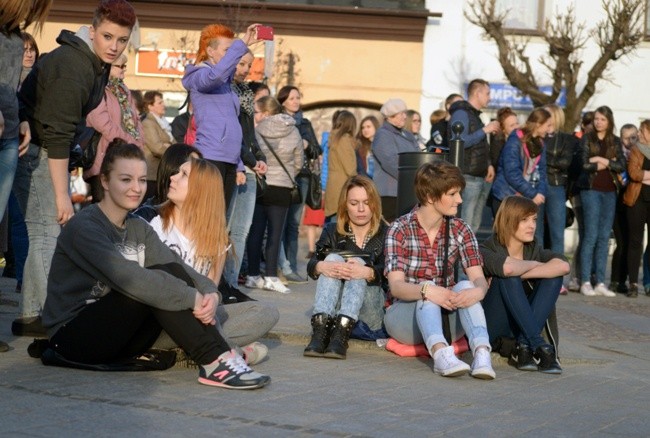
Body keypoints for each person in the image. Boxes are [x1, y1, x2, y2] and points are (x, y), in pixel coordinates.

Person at [41, 142, 270, 389]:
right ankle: (214, 360)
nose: (136, 188)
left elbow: (179, 267)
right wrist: (191, 297)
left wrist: (211, 294)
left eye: (141, 180)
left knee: (169, 273)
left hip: (124, 331)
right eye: (125, 179)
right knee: (154, 283)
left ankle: (220, 355)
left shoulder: (138, 228)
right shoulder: (86, 227)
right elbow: (131, 278)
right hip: (74, 335)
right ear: (105, 182)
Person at [13, 0, 135, 337]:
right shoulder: (74, 64)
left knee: (45, 232)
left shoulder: (93, 64)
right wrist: (62, 194)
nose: (114, 46)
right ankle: (42, 314)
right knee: (45, 232)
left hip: (43, 147)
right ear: (92, 31)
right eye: (108, 36)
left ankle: (34, 313)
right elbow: (57, 133)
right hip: (36, 150)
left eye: (122, 40)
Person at [383, 161, 495, 379]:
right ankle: (440, 354)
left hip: (445, 317)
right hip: (405, 318)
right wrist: (427, 290)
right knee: (429, 288)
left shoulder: (461, 229)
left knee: (464, 285)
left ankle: (482, 353)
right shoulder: (400, 229)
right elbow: (396, 287)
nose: (460, 200)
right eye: (452, 194)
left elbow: (478, 278)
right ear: (430, 196)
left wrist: (478, 291)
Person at [0, 0, 51, 352]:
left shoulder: (17, 41)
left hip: (7, 140)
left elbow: (9, 89)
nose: (29, 14)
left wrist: (21, 119)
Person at [480, 196, 568, 374]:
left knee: (554, 277)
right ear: (508, 220)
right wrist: (537, 267)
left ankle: (523, 345)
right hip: (493, 327)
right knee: (508, 277)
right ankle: (537, 344)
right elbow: (508, 268)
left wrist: (527, 269)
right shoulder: (486, 249)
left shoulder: (534, 250)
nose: (532, 226)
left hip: (522, 327)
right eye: (524, 220)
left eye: (534, 220)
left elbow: (564, 266)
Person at [305, 176, 388, 359]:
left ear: (374, 204)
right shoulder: (331, 230)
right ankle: (321, 332)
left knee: (357, 262)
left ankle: (341, 334)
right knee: (333, 257)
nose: (361, 209)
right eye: (354, 203)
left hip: (369, 312)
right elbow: (311, 265)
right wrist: (321, 266)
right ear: (345, 205)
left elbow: (394, 274)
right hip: (335, 307)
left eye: (367, 203)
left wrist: (368, 271)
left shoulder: (386, 233)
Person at [182, 23, 261, 210]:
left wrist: (239, 164)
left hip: (229, 159)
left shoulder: (227, 84)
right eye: (227, 50)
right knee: (205, 216)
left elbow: (232, 126)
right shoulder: (198, 75)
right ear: (210, 51)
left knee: (220, 220)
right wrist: (241, 44)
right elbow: (214, 77)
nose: (233, 55)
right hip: (210, 156)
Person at [245, 96, 302, 294]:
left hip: (261, 183)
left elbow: (251, 154)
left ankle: (253, 275)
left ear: (266, 112)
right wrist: (288, 176)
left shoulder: (258, 129)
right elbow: (298, 161)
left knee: (256, 231)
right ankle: (271, 275)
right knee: (275, 234)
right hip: (282, 187)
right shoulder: (293, 130)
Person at [223, 50, 268, 293]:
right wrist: (250, 160)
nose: (245, 69)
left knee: (241, 230)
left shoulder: (245, 92)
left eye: (249, 65)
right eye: (241, 63)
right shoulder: (222, 90)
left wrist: (260, 158)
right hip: (232, 165)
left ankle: (230, 283)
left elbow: (249, 135)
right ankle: (218, 281)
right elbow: (232, 136)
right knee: (224, 228)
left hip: (248, 167)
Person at [577, 105, 625, 297]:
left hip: (610, 191)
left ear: (609, 121)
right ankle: (586, 280)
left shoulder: (616, 141)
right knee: (590, 235)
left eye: (602, 119)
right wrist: (603, 161)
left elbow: (621, 165)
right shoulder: (587, 139)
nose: (598, 122)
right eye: (596, 118)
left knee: (605, 237)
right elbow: (584, 164)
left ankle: (600, 282)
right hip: (591, 190)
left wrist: (601, 160)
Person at [277, 85, 321, 284]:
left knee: (293, 223)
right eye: (292, 98)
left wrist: (307, 145)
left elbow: (317, 150)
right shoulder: (277, 121)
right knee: (279, 222)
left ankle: (291, 267)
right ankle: (277, 265)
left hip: (301, 176)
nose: (296, 101)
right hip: (280, 175)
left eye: (297, 97)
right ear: (283, 101)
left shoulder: (304, 123)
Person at [85, 53, 144, 201]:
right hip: (103, 159)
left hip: (125, 159)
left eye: (125, 66)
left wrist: (140, 142)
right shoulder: (97, 88)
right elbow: (101, 122)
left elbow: (136, 120)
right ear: (107, 67)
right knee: (102, 205)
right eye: (120, 66)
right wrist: (129, 140)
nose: (124, 69)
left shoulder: (125, 91)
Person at [490, 107, 553, 243]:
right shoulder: (515, 141)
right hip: (506, 197)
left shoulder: (540, 143)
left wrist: (540, 193)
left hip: (527, 197)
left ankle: (532, 264)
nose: (549, 129)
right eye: (547, 125)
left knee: (533, 239)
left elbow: (542, 171)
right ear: (538, 124)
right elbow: (512, 173)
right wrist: (533, 194)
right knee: (506, 240)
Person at [448, 79, 501, 231]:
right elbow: (459, 141)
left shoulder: (475, 115)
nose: (489, 97)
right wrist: (485, 130)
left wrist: (489, 164)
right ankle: (460, 254)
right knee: (465, 223)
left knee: (474, 225)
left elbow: (480, 145)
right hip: (468, 175)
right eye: (487, 93)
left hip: (480, 175)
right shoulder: (461, 114)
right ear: (477, 94)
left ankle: (469, 253)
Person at [371, 98, 420, 223]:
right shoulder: (383, 135)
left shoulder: (407, 135)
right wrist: (410, 178)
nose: (405, 117)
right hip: (390, 193)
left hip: (408, 191)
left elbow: (417, 155)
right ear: (390, 117)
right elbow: (390, 162)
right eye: (402, 114)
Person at [543, 104, 578, 260]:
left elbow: (565, 163)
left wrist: (541, 162)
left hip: (556, 186)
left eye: (547, 114)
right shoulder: (537, 137)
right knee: (535, 234)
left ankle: (556, 275)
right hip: (535, 186)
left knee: (557, 233)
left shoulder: (567, 139)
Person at [622, 120, 650, 298]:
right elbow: (633, 173)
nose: (639, 133)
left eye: (642, 130)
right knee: (635, 242)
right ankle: (633, 283)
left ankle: (647, 281)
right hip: (637, 200)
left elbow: (640, 174)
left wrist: (644, 176)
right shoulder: (636, 149)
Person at [610, 124, 637, 295]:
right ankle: (615, 280)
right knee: (621, 243)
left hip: (632, 204)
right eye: (626, 138)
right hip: (616, 203)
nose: (629, 141)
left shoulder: (638, 155)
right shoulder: (617, 155)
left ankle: (623, 280)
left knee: (630, 242)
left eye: (633, 137)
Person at [324, 111, 358, 222]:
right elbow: (350, 169)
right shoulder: (343, 140)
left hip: (334, 186)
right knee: (340, 225)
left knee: (334, 223)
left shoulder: (335, 138)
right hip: (342, 187)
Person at [141, 91, 173, 201]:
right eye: (160, 103)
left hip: (161, 175)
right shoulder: (148, 123)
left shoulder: (164, 123)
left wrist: (168, 145)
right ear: (150, 106)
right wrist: (170, 148)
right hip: (152, 175)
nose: (164, 105)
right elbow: (157, 148)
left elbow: (175, 144)